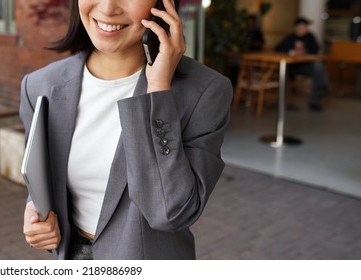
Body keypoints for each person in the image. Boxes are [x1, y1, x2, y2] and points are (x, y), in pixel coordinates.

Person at [20, 0, 232, 260]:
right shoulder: (39, 86)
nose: (108, 8)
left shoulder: (205, 91)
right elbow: (39, 178)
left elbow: (171, 212)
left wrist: (158, 91)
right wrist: (35, 212)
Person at [275, 17, 329, 111]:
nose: (307, 28)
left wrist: (305, 52)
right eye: (305, 26)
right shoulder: (290, 37)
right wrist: (291, 51)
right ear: (298, 27)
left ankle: (315, 101)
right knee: (283, 71)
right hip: (291, 66)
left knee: (319, 68)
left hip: (304, 65)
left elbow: (315, 50)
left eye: (307, 26)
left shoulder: (310, 37)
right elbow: (278, 48)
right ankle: (283, 102)